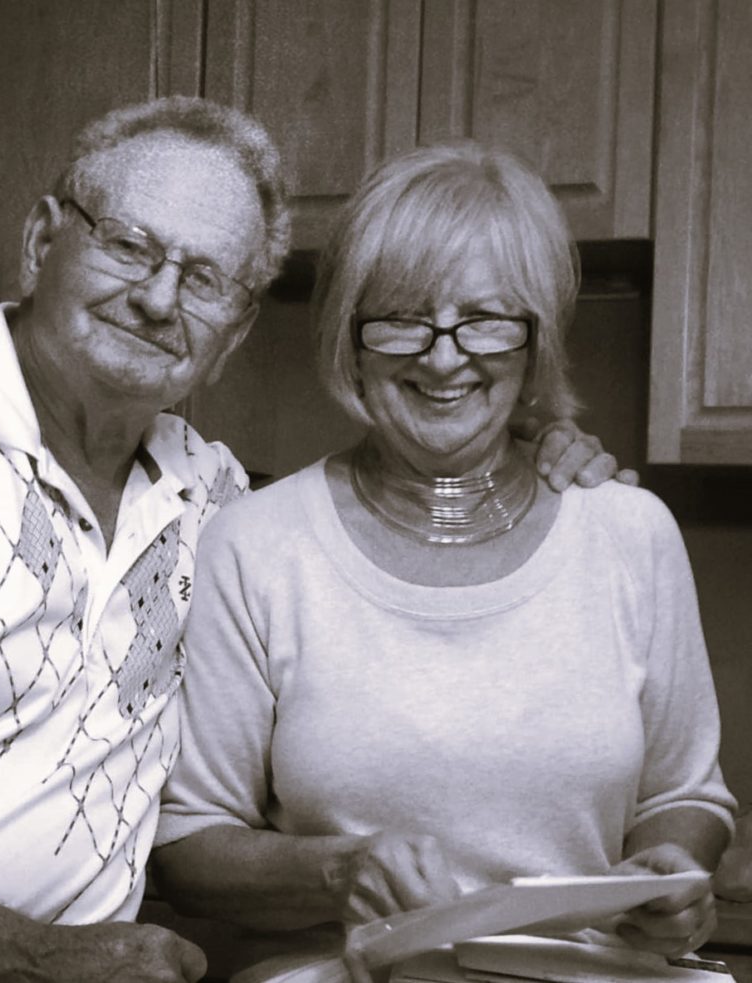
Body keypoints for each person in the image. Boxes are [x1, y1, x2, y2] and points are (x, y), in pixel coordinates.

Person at [0, 98, 624, 983]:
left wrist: (527, 458)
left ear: (232, 332)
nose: (158, 298)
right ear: (44, 240)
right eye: (128, 244)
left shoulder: (215, 500)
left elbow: (368, 505)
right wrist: (31, 960)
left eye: (204, 279)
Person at [150, 141, 737, 980]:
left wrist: (670, 872)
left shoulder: (630, 533)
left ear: (534, 342)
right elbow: (187, 843)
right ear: (349, 341)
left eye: (486, 318)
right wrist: (339, 869)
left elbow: (685, 795)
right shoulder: (254, 544)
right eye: (401, 318)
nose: (443, 354)